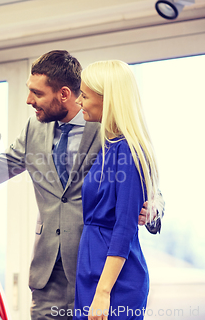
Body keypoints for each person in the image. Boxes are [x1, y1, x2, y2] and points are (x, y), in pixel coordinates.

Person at [0, 51, 161, 320]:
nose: (29, 100)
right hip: (48, 277)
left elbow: (146, 186)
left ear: (64, 94)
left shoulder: (106, 126)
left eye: (37, 94)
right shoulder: (33, 129)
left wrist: (154, 209)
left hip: (96, 269)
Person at [73, 60, 159, 320]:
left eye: (85, 96)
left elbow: (124, 226)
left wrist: (103, 292)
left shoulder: (128, 150)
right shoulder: (109, 146)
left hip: (113, 282)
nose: (79, 102)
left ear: (108, 99)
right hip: (93, 270)